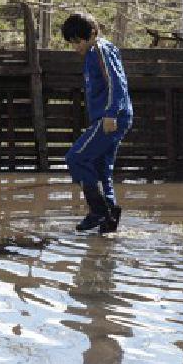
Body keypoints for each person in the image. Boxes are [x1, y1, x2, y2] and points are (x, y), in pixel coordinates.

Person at [62, 12, 133, 234]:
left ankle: (97, 210)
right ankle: (110, 215)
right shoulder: (96, 51)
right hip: (111, 116)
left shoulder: (99, 50)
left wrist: (111, 114)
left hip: (110, 118)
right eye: (72, 43)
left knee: (75, 157)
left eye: (78, 41)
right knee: (102, 168)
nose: (76, 47)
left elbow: (116, 82)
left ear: (91, 34)